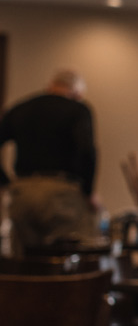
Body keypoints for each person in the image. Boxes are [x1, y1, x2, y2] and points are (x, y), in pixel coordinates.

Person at [0, 68, 97, 252]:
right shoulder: (78, 109)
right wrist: (88, 191)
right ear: (76, 92)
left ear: (50, 86)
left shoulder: (20, 108)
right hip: (61, 192)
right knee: (70, 257)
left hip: (22, 191)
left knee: (23, 260)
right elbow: (87, 151)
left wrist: (6, 182)